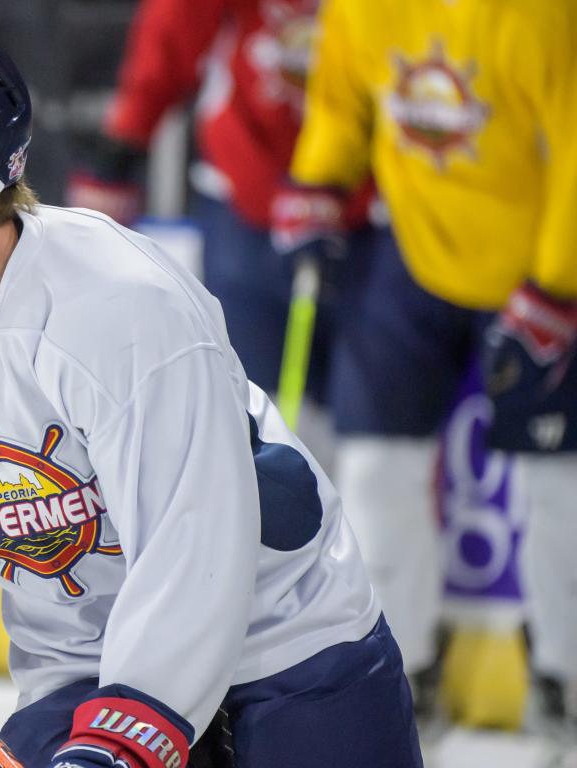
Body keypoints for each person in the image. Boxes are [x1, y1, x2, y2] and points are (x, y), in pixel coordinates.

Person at [0, 34, 422, 768]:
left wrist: (125, 735)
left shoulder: (122, 306)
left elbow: (193, 544)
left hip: (290, 642)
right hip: (81, 662)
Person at [273, 0, 577, 721]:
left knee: (558, 484)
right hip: (411, 256)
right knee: (375, 469)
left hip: (535, 271)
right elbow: (342, 103)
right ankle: (401, 674)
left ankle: (565, 676)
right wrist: (318, 182)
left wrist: (557, 285)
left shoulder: (542, 14)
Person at [67, 0, 373, 467]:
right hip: (248, 198)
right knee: (252, 409)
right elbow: (172, 32)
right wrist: (124, 143)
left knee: (370, 429)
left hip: (366, 211)